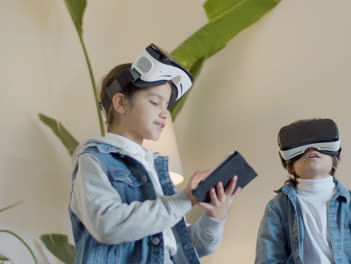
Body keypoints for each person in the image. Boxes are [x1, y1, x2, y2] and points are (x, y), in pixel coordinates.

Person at [69, 43, 241, 263]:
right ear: (120, 103)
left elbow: (183, 246)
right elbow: (107, 225)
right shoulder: (94, 160)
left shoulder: (155, 169)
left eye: (166, 106)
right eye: (154, 102)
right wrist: (184, 200)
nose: (164, 114)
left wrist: (215, 218)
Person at [255, 118, 351, 264]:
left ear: (335, 162)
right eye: (302, 146)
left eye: (319, 144)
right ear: (289, 167)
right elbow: (268, 260)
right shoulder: (277, 208)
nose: (310, 148)